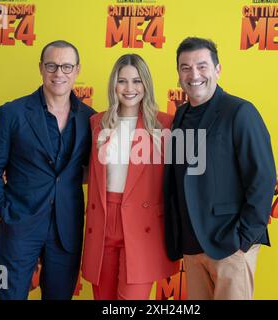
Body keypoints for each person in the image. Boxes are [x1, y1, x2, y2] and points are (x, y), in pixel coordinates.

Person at [0, 40, 96, 300]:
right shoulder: (11, 113)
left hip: (66, 229)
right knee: (7, 294)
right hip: (17, 225)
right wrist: (1, 214)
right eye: (52, 65)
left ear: (77, 70)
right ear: (41, 68)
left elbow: (94, 171)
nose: (59, 74)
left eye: (66, 66)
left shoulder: (91, 119)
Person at [163, 37, 277, 300]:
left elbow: (262, 178)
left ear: (218, 69)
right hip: (192, 247)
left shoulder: (240, 112)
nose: (194, 75)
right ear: (178, 73)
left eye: (202, 66)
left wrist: (243, 240)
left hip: (230, 245)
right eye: (185, 68)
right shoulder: (179, 115)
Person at [81, 54, 179, 300]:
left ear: (146, 84)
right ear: (113, 85)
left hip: (142, 224)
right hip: (104, 220)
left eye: (137, 81)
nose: (130, 88)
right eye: (122, 81)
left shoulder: (164, 125)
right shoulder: (97, 122)